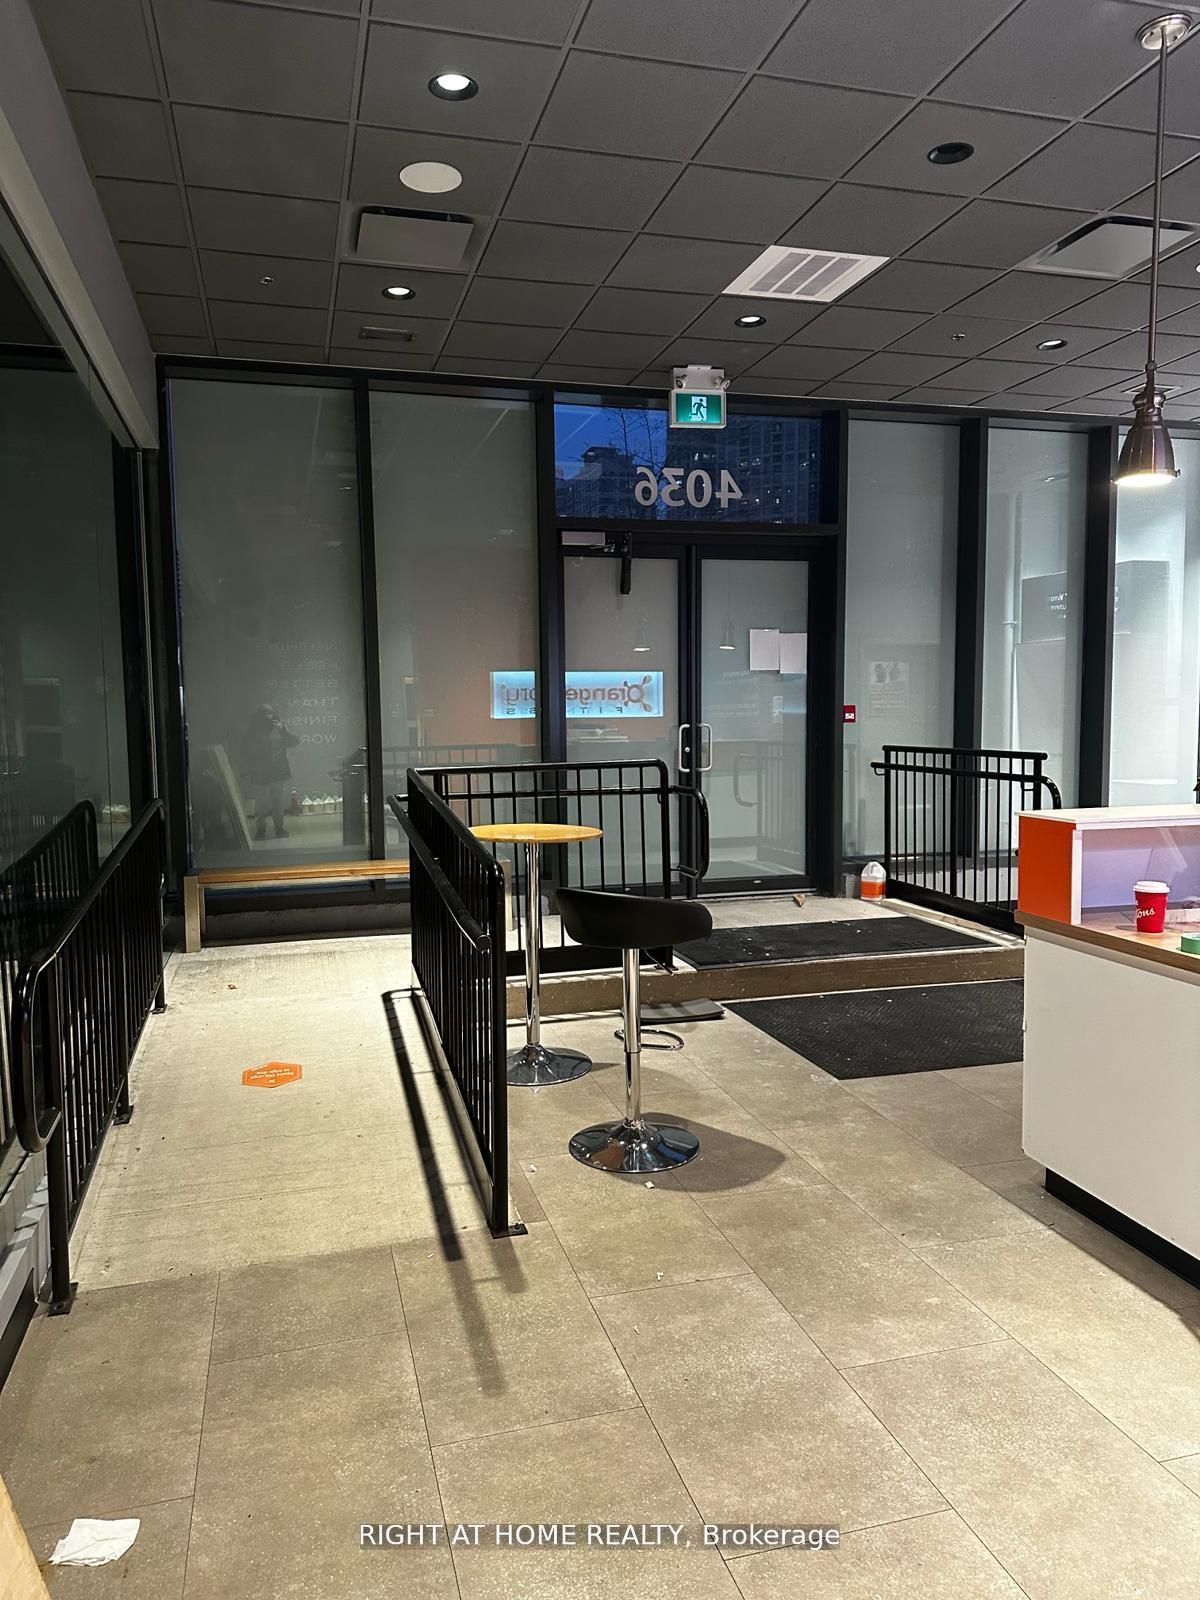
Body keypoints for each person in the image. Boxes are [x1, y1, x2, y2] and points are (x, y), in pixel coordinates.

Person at [239, 705, 299, 842]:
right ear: (259, 715)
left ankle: (279, 828)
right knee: (262, 804)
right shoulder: (252, 731)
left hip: (278, 771)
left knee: (278, 802)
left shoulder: (279, 728)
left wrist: (283, 729)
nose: (268, 716)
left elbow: (295, 741)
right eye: (265, 713)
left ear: (274, 714)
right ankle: (261, 829)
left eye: (270, 713)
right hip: (260, 773)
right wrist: (251, 766)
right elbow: (244, 751)